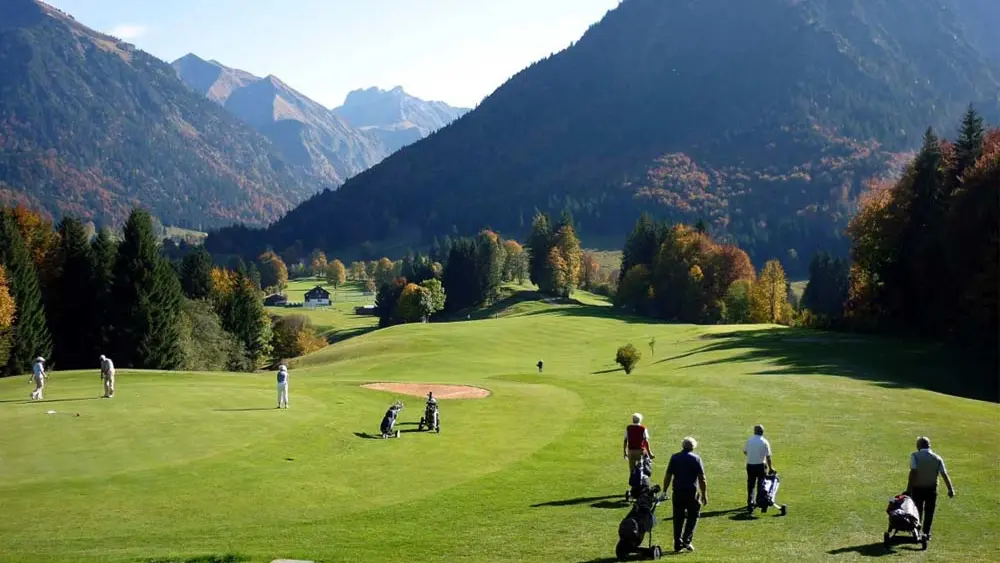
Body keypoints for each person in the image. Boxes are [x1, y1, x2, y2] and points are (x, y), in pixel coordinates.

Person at [663, 437, 707, 553]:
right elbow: (702, 479)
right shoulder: (696, 459)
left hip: (677, 492)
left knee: (678, 518)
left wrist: (664, 490)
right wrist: (704, 494)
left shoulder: (675, 457)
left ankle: (677, 543)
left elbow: (668, 475)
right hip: (691, 493)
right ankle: (686, 539)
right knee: (693, 516)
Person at [907, 436, 955, 542]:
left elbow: (913, 472)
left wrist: (908, 488)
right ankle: (927, 533)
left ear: (918, 446)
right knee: (929, 511)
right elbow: (944, 474)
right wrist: (950, 489)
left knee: (917, 510)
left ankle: (917, 531)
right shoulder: (937, 458)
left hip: (917, 488)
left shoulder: (915, 456)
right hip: (931, 489)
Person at [743, 424, 772, 512]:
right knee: (761, 484)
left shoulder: (750, 440)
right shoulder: (764, 442)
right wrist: (771, 467)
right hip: (761, 466)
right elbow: (768, 457)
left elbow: (745, 451)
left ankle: (750, 503)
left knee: (751, 485)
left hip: (750, 465)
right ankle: (759, 501)